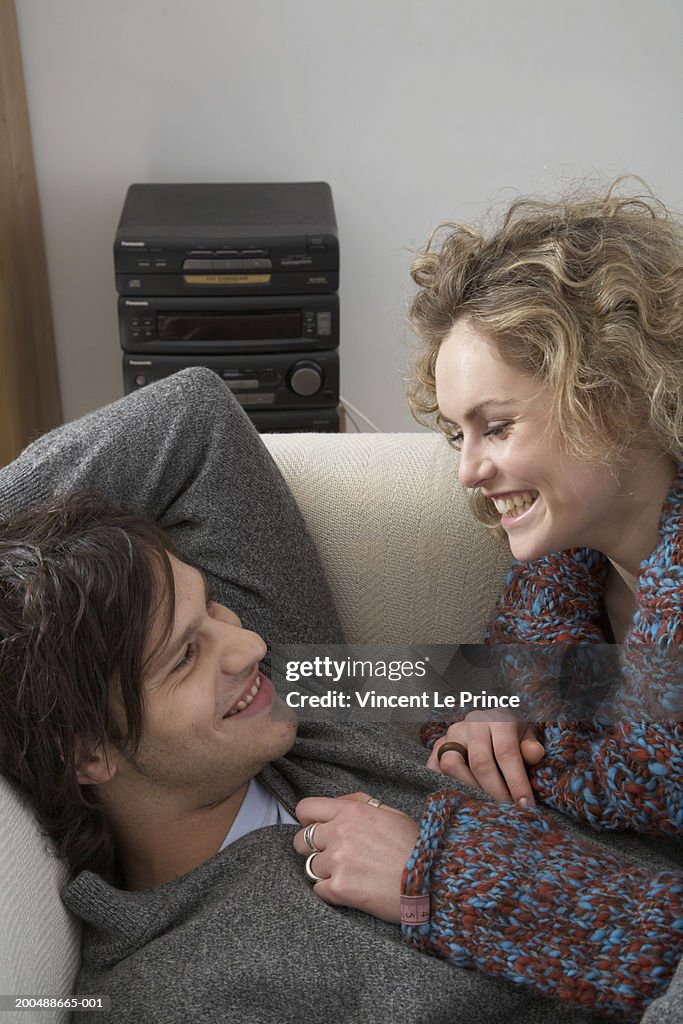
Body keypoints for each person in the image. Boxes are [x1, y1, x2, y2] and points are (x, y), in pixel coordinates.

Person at [0, 368, 680, 1024]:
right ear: (87, 753)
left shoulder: (296, 700)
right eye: (185, 657)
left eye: (213, 607)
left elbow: (192, 417)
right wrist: (437, 882)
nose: (250, 647)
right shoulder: (174, 990)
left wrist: (506, 686)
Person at [290, 180, 683, 1019]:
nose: (467, 470)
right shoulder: (557, 585)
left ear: (610, 397)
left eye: (496, 426)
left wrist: (435, 873)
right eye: (457, 434)